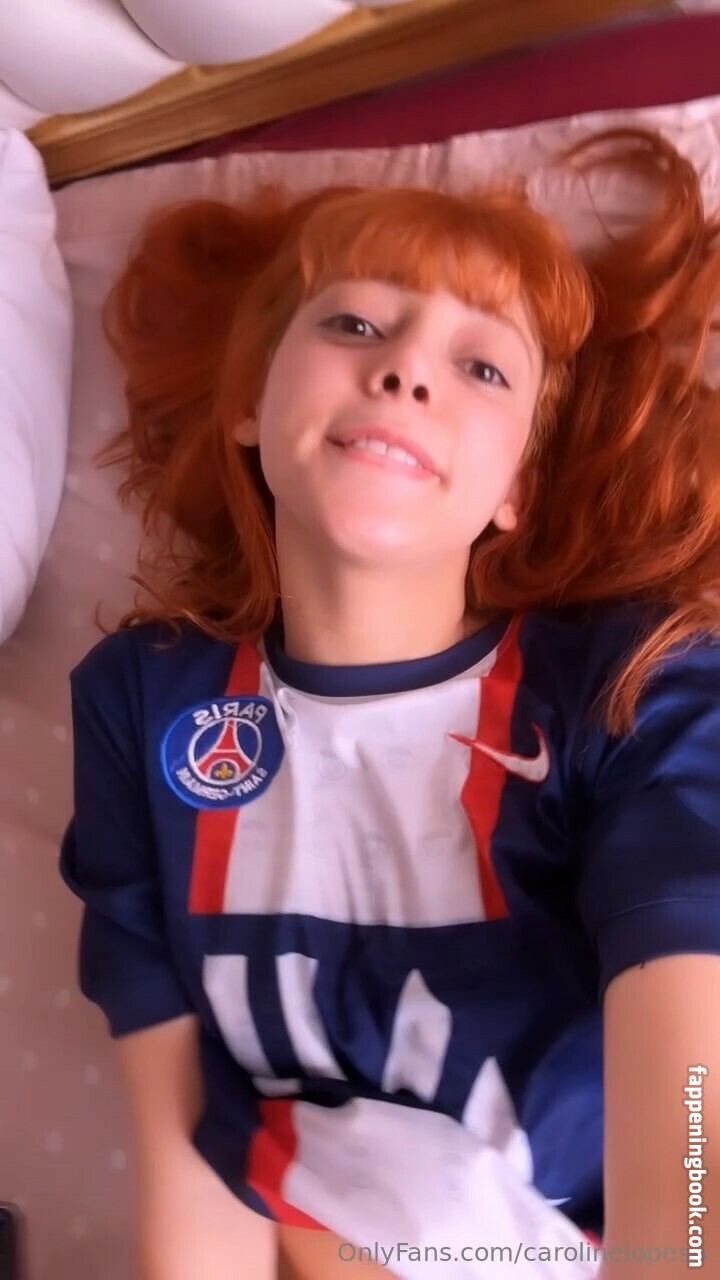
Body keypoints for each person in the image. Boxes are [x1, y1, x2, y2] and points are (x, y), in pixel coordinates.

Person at [59, 127, 720, 1280]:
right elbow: (195, 1163)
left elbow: (692, 1151)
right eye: (355, 323)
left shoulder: (639, 685)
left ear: (516, 487)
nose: (408, 368)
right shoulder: (140, 704)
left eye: (483, 367)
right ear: (249, 405)